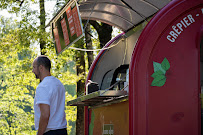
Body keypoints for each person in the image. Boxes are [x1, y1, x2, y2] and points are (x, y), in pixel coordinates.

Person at [32, 55, 67, 135]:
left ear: (41, 68)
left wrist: (39, 134)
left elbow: (45, 115)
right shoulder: (59, 84)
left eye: (34, 67)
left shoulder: (43, 86)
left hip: (50, 132)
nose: (32, 71)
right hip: (62, 131)